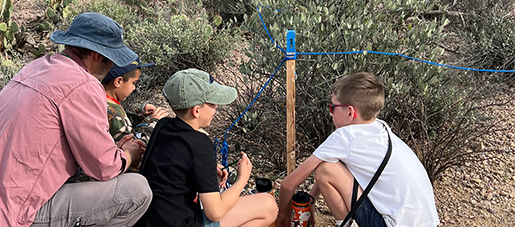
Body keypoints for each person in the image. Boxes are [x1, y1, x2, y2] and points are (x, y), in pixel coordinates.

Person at [0, 12, 152, 227]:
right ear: (98, 56)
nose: (111, 67)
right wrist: (128, 154)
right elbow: (104, 168)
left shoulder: (35, 68)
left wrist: (112, 151)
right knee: (137, 191)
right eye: (112, 60)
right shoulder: (82, 85)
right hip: (13, 215)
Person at [276, 72, 440, 227]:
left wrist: (283, 214)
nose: (331, 114)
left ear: (349, 112)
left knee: (325, 170)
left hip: (392, 224)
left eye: (333, 107)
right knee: (329, 166)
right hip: (425, 221)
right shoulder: (380, 127)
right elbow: (337, 163)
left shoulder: (344, 137)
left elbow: (289, 184)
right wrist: (311, 200)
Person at [138, 68, 278, 227]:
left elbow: (172, 167)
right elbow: (215, 212)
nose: (217, 107)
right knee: (268, 205)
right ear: (196, 110)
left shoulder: (163, 125)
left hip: (152, 219)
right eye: (213, 103)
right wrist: (242, 179)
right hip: (181, 222)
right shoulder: (200, 144)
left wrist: (206, 170)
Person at [102, 57, 168, 143]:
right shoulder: (110, 112)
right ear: (118, 82)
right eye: (134, 83)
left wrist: (139, 113)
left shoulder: (106, 102)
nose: (134, 88)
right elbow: (135, 149)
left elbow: (120, 127)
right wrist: (154, 126)